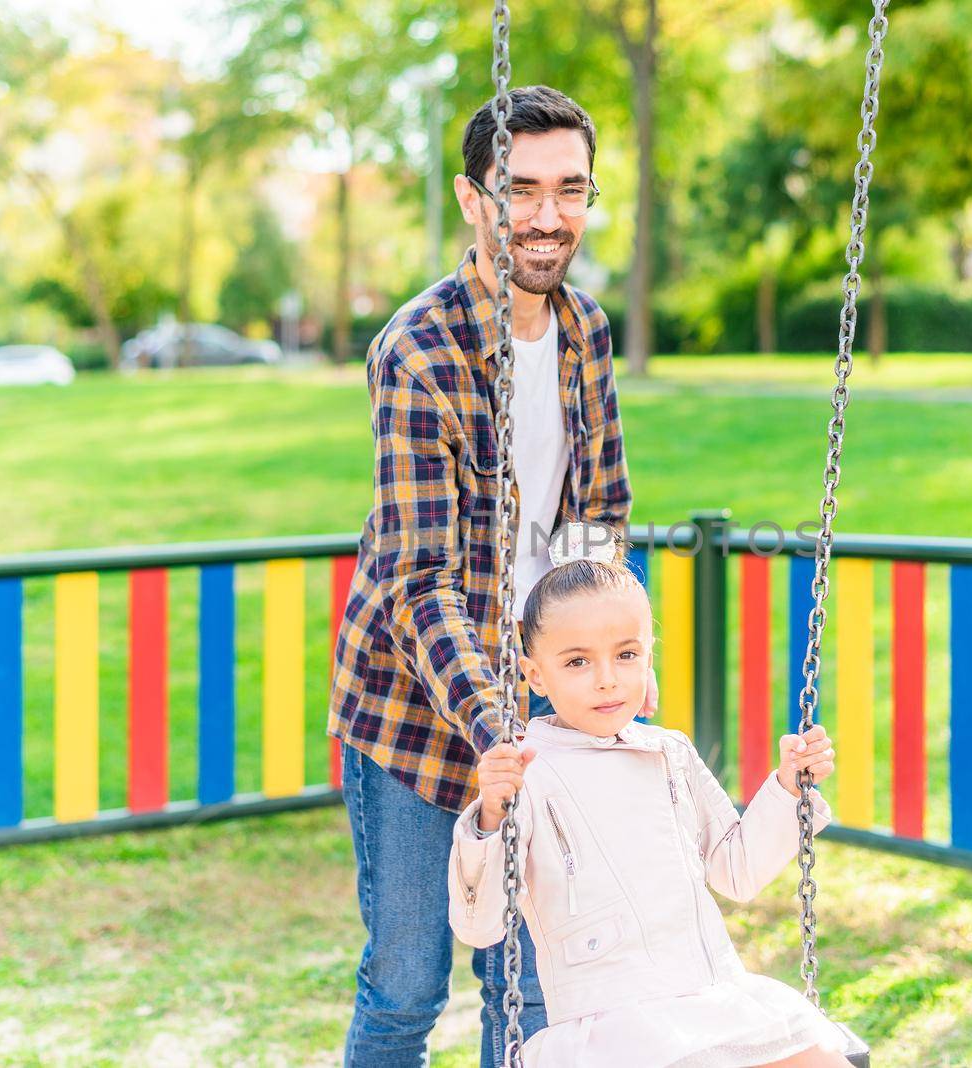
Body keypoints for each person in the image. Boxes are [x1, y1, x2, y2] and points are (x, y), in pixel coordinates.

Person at [328, 85, 649, 1067]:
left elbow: (598, 523)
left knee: (533, 982)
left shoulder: (586, 332)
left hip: (539, 711)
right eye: (521, 191)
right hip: (418, 718)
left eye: (569, 190)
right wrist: (497, 733)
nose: (547, 217)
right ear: (473, 200)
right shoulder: (419, 353)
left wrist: (598, 683)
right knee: (407, 983)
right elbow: (419, 578)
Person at [449, 531, 851, 1067]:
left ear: (649, 657)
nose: (607, 681)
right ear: (534, 674)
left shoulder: (671, 753)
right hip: (612, 1022)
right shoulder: (526, 769)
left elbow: (735, 872)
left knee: (823, 1056)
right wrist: (492, 815)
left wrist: (787, 787)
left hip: (711, 995)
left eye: (627, 654)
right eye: (577, 662)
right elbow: (480, 927)